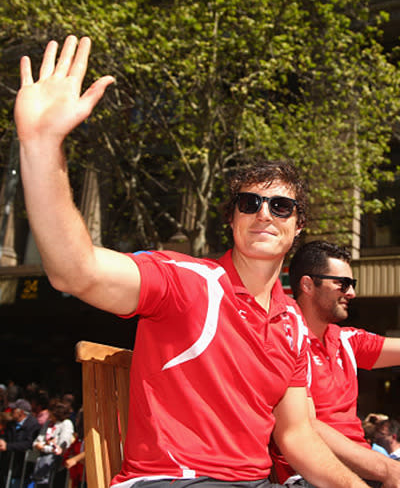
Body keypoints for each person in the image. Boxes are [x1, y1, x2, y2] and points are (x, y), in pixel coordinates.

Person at [13, 34, 371, 488]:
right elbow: (75, 270)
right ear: (232, 219)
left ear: (299, 226)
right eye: (249, 203)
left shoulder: (293, 328)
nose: (264, 213)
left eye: (281, 206)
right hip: (173, 480)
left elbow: (298, 436)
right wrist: (42, 145)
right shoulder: (188, 281)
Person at [272, 240, 400, 487]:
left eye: (352, 284)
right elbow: (304, 426)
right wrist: (387, 469)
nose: (351, 293)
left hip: (366, 468)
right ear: (308, 285)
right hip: (311, 476)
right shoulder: (283, 339)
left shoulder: (348, 340)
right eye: (342, 283)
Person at [31, 400, 75, 487]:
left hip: (56, 463)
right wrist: (45, 444)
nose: (49, 416)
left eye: (50, 413)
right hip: (42, 463)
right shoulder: (48, 423)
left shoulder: (66, 424)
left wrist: (44, 447)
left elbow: (61, 447)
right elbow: (37, 442)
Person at [0, 399, 41, 488]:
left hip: (21, 468)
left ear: (21, 412)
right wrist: (2, 441)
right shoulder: (11, 424)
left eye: (13, 410)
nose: (11, 412)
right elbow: (5, 436)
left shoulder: (33, 425)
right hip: (7, 465)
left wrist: (8, 446)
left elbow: (28, 443)